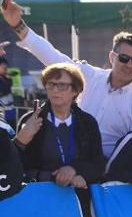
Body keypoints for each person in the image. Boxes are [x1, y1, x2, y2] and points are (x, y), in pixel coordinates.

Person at [2, 0, 132, 157]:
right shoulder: (90, 75)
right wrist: (18, 25)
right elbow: (52, 57)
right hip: (69, 159)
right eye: (124, 58)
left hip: (109, 174)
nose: (129, 65)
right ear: (112, 57)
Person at [13, 64, 103, 205]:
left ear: (75, 90)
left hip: (80, 200)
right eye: (51, 84)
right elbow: (17, 167)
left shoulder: (87, 122)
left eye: (62, 86)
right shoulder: (30, 120)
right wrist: (21, 140)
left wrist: (76, 171)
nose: (55, 90)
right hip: (40, 200)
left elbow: (98, 163)